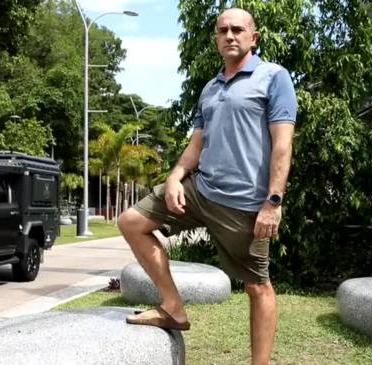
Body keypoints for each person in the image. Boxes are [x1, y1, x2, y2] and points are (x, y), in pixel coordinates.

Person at [118, 8, 297, 365]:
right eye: (223, 30)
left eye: (238, 30)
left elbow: (282, 145)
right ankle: (173, 308)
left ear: (253, 37)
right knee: (131, 222)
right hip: (200, 190)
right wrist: (173, 178)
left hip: (245, 204)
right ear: (216, 38)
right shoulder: (210, 88)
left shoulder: (273, 77)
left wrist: (273, 202)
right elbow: (196, 145)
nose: (230, 35)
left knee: (257, 286)